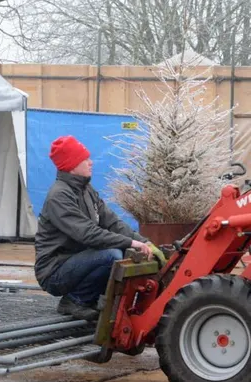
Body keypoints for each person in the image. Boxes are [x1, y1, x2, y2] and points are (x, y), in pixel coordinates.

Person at [34, 135, 159, 321]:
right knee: (112, 255)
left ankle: (91, 300)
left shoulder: (87, 191)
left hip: (76, 262)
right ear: (72, 165)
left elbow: (112, 222)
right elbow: (88, 234)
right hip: (54, 271)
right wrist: (130, 242)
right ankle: (74, 301)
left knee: (122, 254)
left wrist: (143, 242)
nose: (90, 162)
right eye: (85, 159)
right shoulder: (59, 196)